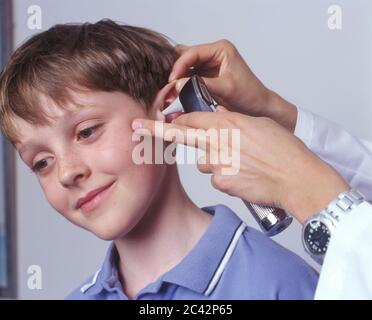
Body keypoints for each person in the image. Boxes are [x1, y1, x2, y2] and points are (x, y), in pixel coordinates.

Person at [0, 20, 318, 300]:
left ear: (166, 114)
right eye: (42, 162)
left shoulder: (279, 284)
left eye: (86, 132)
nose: (67, 172)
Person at [132, 40, 372, 299]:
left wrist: (301, 184)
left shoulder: (278, 281)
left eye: (89, 131)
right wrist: (272, 109)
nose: (79, 168)